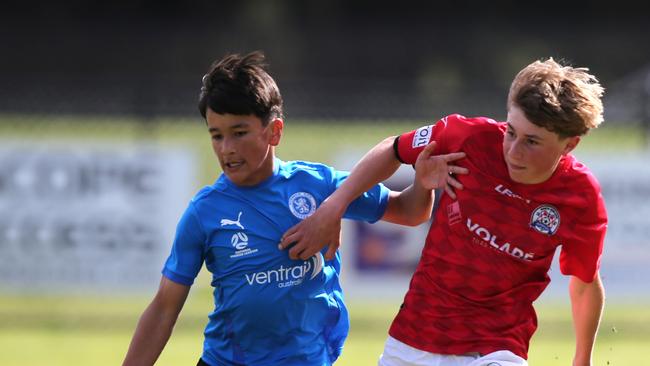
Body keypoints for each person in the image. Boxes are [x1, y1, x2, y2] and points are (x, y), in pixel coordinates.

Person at [122, 51, 466, 366]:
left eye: (239, 132)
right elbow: (165, 308)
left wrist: (423, 182)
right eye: (216, 135)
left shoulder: (316, 186)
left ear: (274, 132)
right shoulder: (205, 211)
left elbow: (409, 211)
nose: (226, 148)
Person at [279, 57, 607, 366]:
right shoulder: (468, 138)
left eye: (532, 142)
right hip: (414, 338)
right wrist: (334, 207)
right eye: (511, 132)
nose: (514, 151)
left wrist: (582, 359)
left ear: (569, 144)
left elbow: (584, 283)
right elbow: (394, 149)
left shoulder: (579, 197)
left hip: (497, 346)